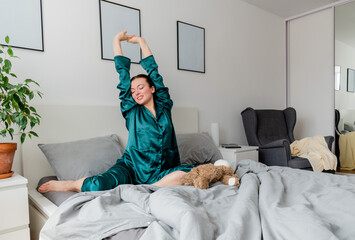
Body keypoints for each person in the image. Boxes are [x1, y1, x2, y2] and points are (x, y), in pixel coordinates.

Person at [38, 31, 194, 193]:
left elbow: (154, 72)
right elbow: (123, 74)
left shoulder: (164, 106)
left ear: (153, 88)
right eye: (133, 91)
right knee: (97, 185)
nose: (136, 92)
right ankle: (72, 184)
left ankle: (148, 188)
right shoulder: (132, 110)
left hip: (163, 171)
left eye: (140, 87)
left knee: (190, 173)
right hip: (132, 169)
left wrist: (142, 42)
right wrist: (116, 41)